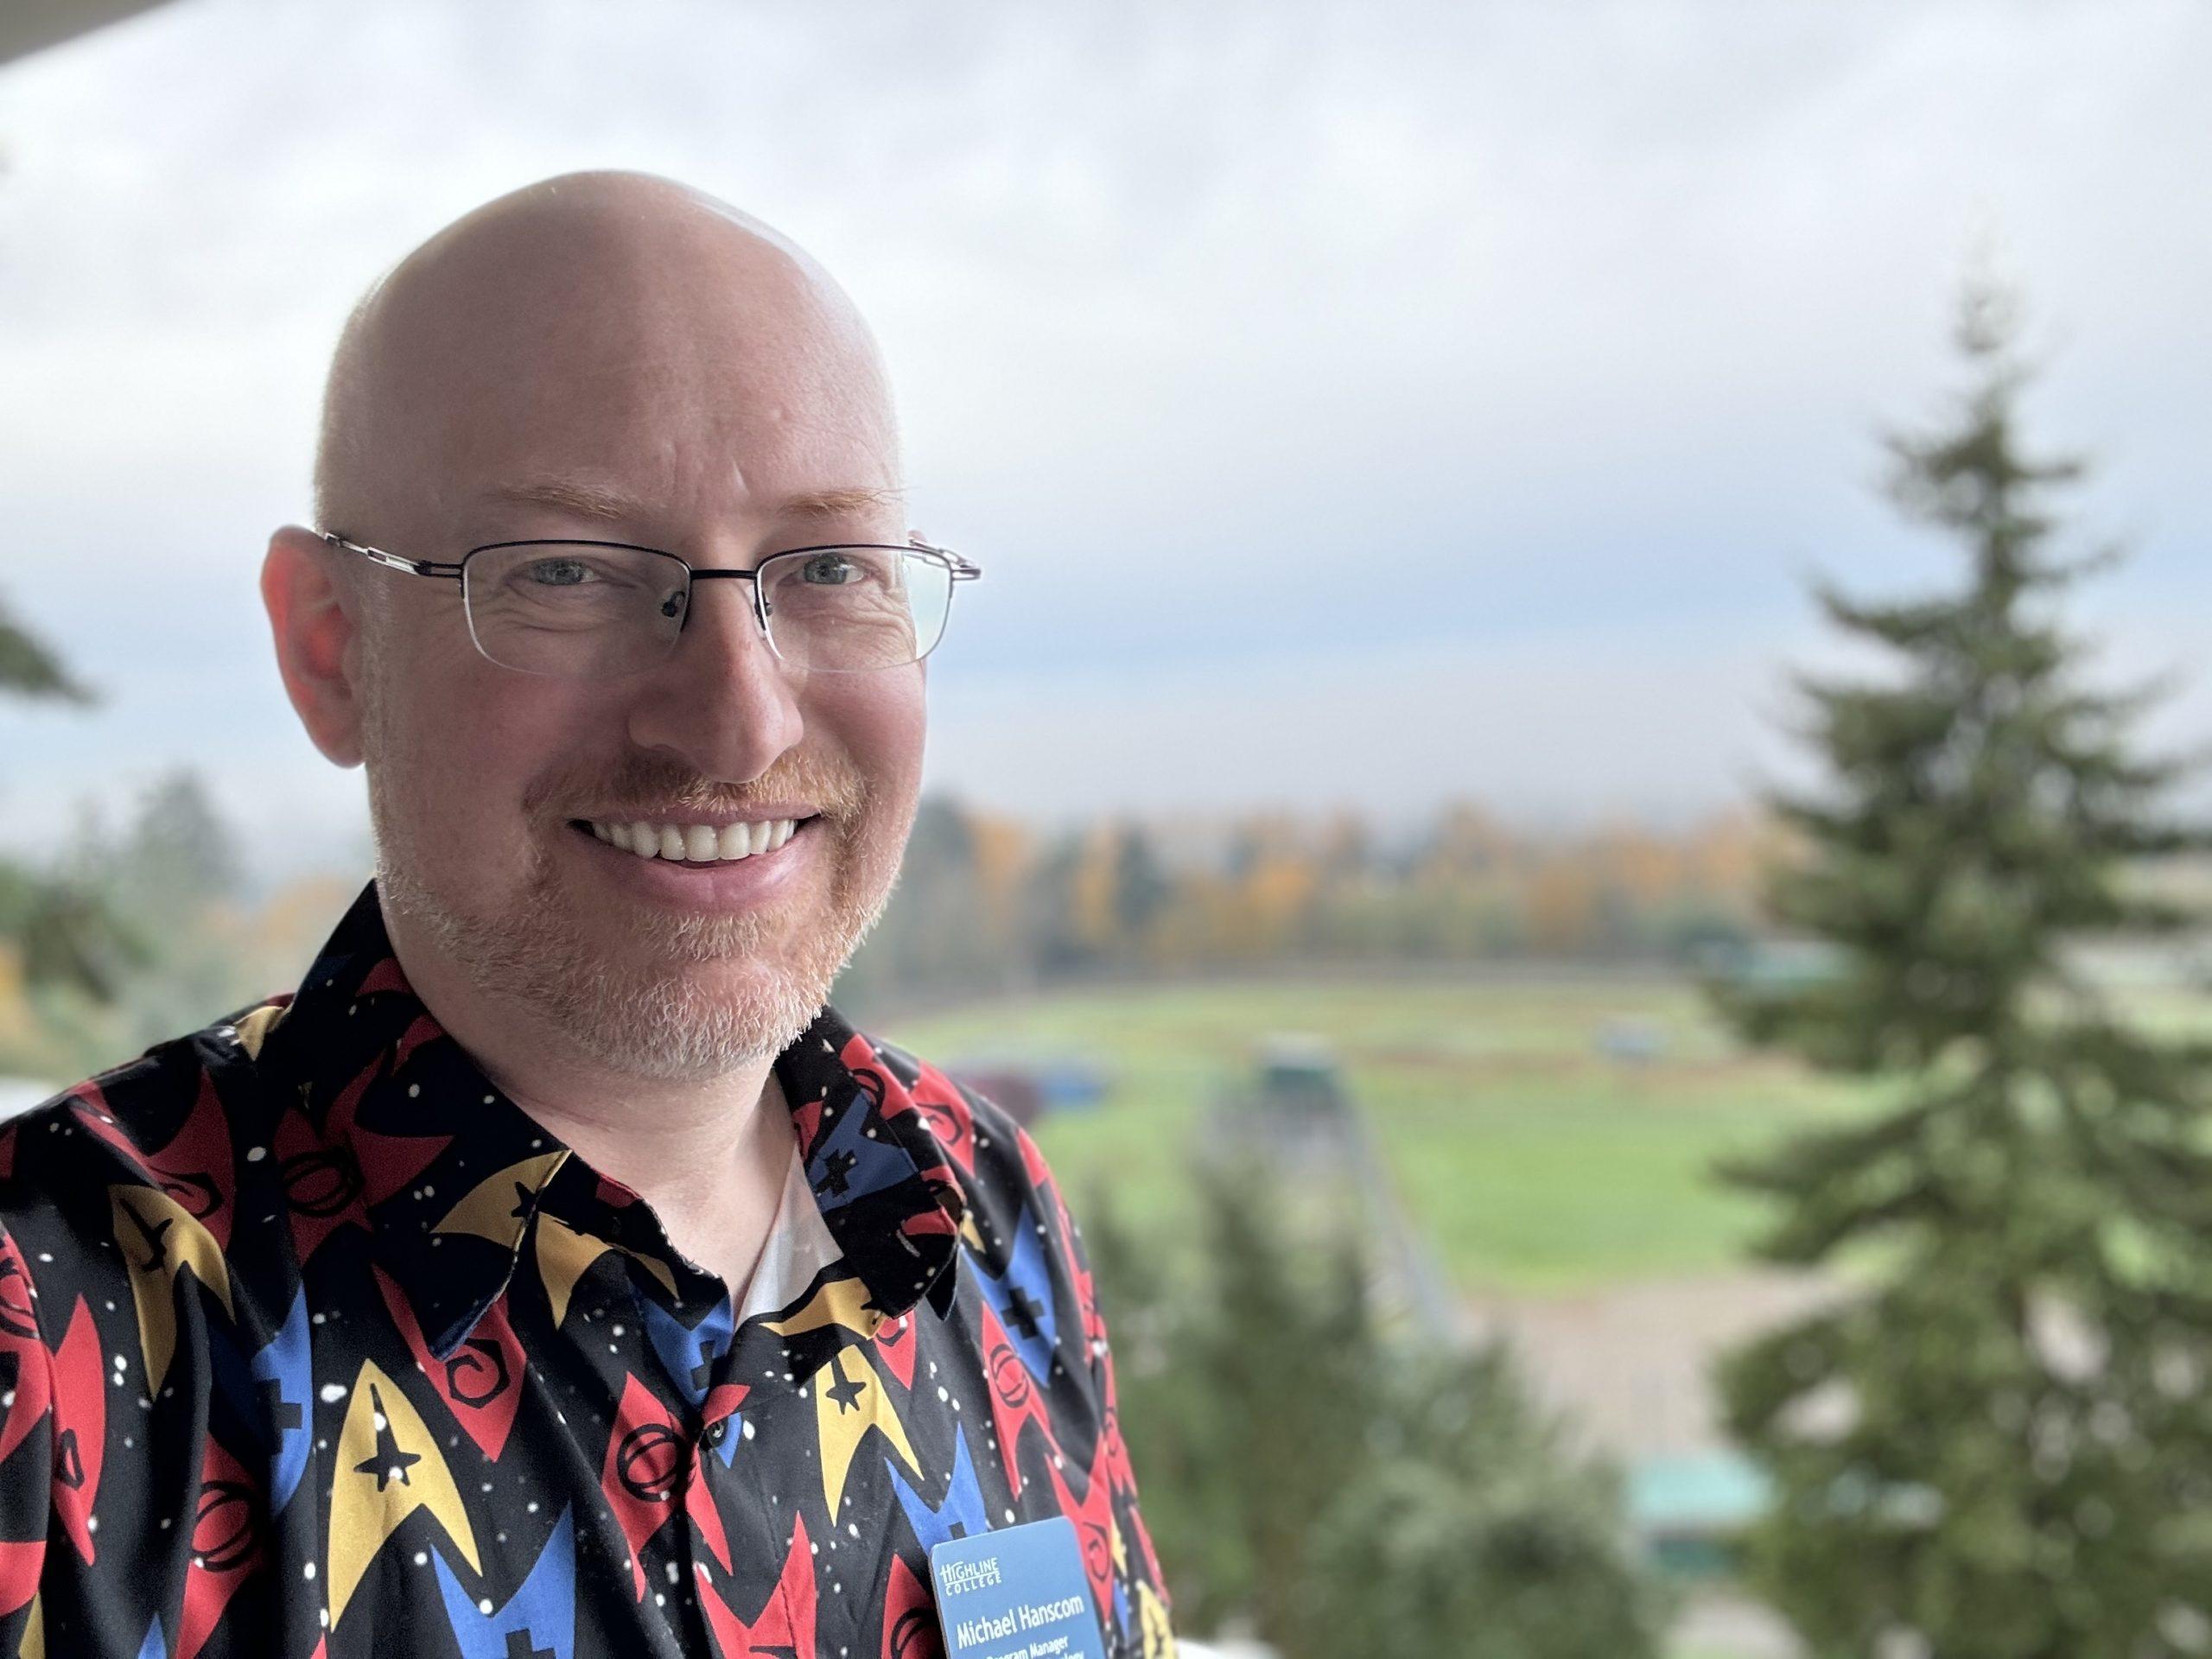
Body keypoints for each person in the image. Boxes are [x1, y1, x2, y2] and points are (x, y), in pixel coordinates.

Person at [0, 171, 1176, 1659]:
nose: (739, 725)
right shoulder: (52, 1346)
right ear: (329, 650)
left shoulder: (988, 1218)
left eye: (827, 568)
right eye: (570, 571)